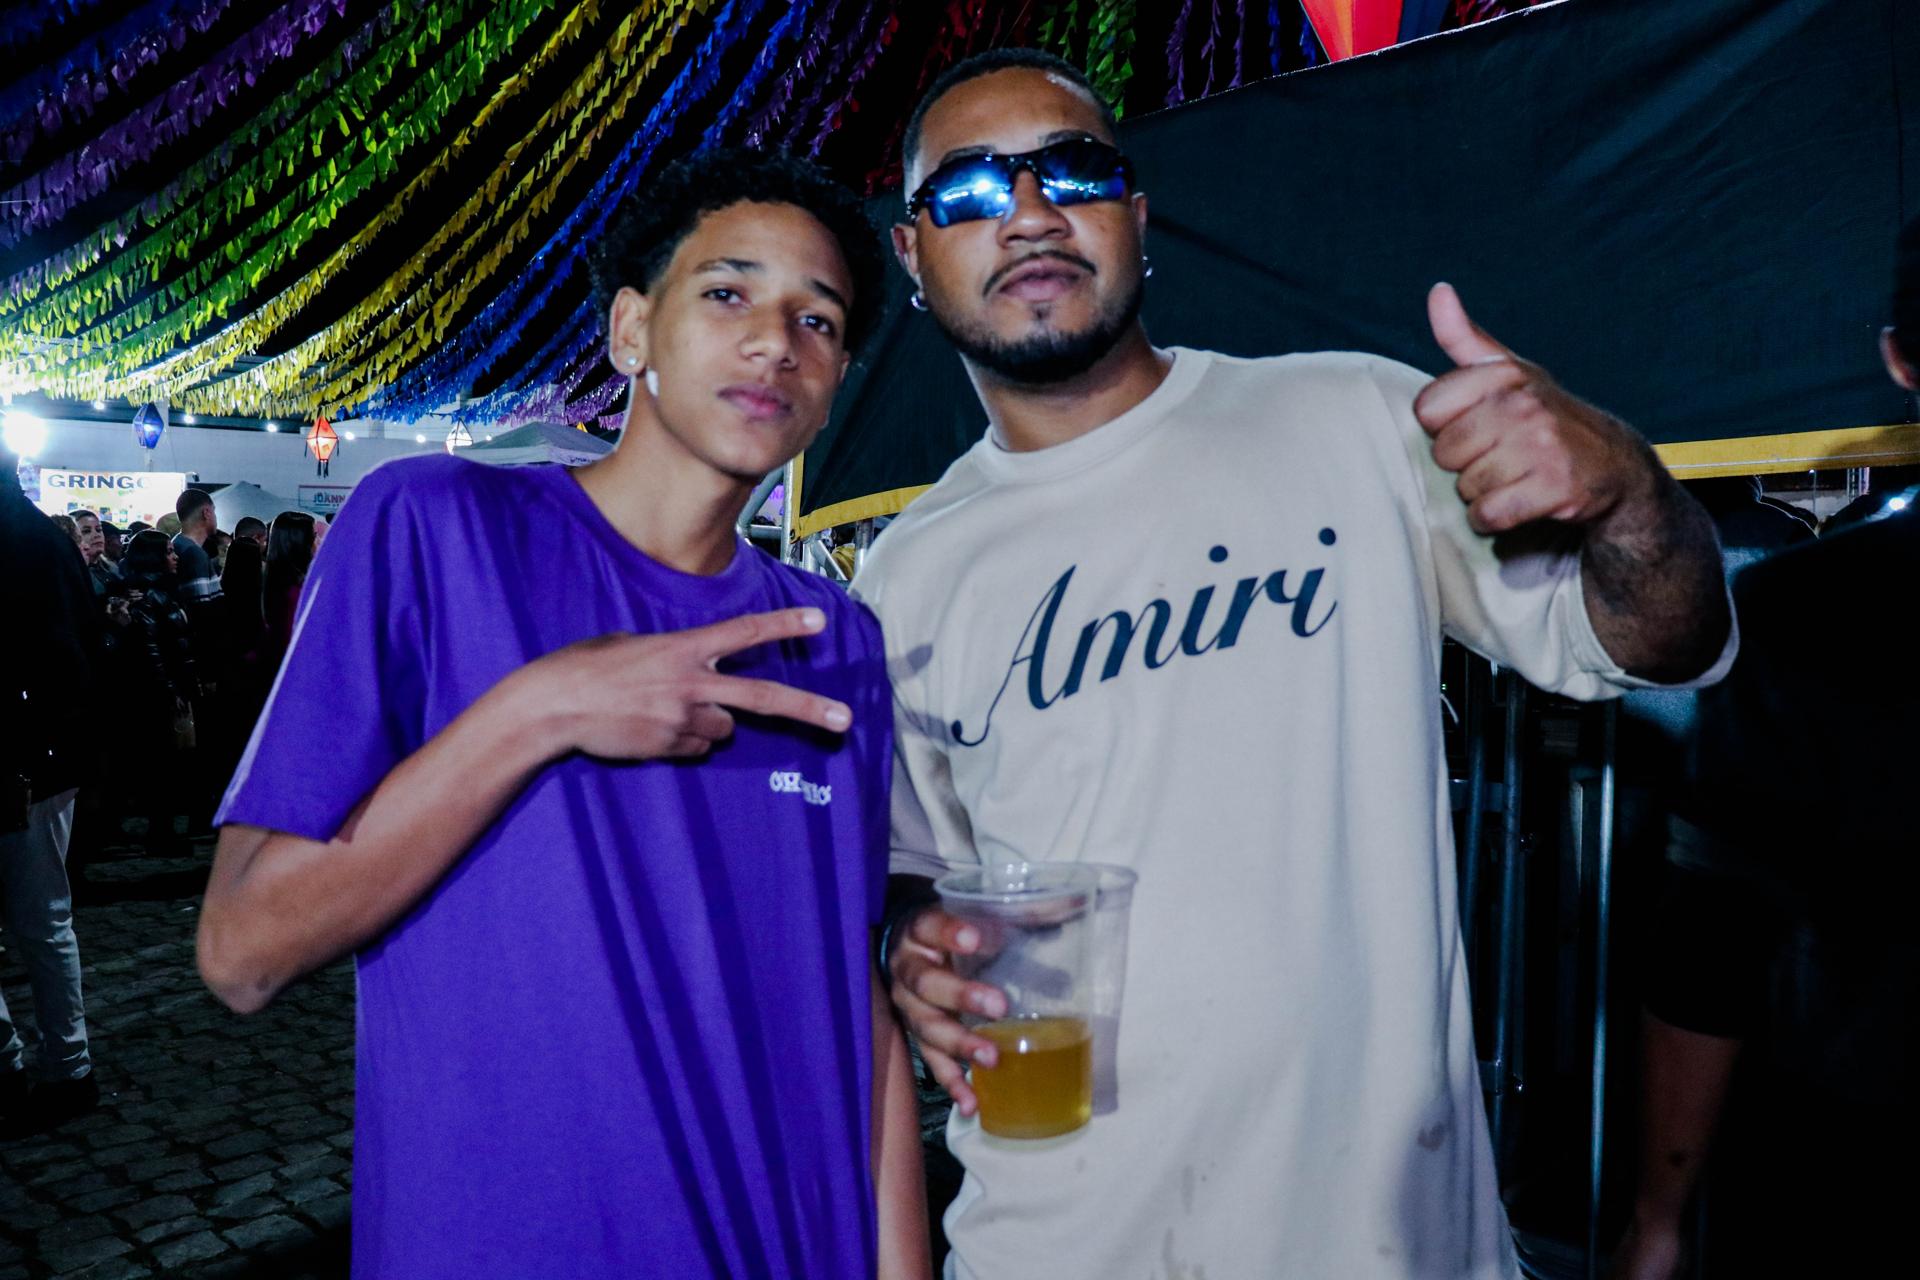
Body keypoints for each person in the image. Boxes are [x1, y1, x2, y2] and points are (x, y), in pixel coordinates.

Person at [855, 49, 1733, 1279]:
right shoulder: (907, 572)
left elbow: (1662, 642)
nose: (1032, 212)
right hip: (1057, 1241)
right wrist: (910, 941)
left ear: (1137, 215)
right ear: (911, 255)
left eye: (1074, 170)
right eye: (968, 190)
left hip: (1386, 1242)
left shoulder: (1355, 418)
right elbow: (915, 874)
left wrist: (1629, 490)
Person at [198, 148, 929, 1278]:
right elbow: (242, 948)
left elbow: (853, 1007)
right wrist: (544, 705)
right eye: (727, 293)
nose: (775, 342)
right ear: (632, 330)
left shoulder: (837, 640)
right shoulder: (434, 528)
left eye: (817, 320)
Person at [1610, 216, 1920, 1280]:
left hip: (1854, 1173)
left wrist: (1657, 1219)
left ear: (1898, 356)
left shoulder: (1810, 611)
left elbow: (1714, 946)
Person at [0, 442, 101, 1136]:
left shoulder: (30, 542)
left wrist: (37, 751)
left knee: (42, 919)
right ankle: (53, 1063)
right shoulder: (43, 539)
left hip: (30, 762)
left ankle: (64, 1065)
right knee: (43, 920)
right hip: (41, 757)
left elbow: (65, 660)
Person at [116, 530, 201, 855]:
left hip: (167, 686)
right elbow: (151, 649)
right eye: (168, 551)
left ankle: (163, 831)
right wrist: (171, 688)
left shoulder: (162, 591)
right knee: (162, 765)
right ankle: (161, 834)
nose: (174, 556)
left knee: (166, 765)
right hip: (158, 693)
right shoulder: (151, 596)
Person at [260, 510, 315, 673]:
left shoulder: (276, 580)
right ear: (300, 543)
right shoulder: (295, 591)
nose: (319, 541)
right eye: (314, 536)